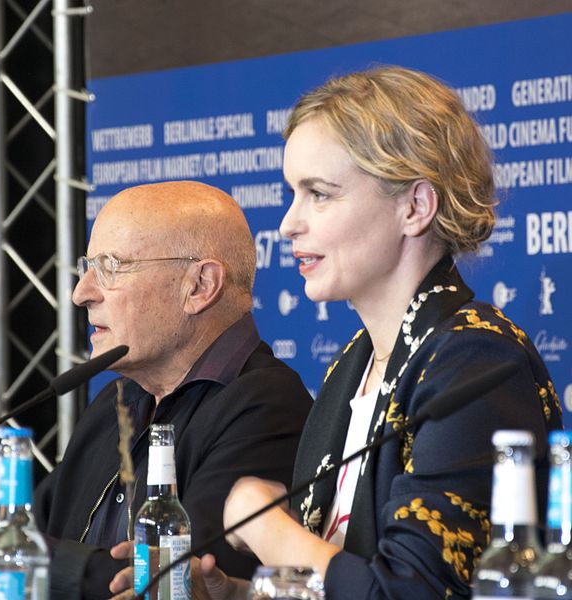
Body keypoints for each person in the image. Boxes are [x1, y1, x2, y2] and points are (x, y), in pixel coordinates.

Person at [195, 66, 563, 599]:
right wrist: (235, 592)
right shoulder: (355, 360)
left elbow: (406, 593)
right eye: (293, 193)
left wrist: (264, 525)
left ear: (414, 207)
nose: (288, 224)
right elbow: (340, 566)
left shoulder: (477, 361)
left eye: (319, 194)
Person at [33, 181, 312, 600]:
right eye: (87, 267)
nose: (82, 293)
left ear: (200, 286)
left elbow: (176, 580)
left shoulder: (267, 406)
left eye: (110, 266)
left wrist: (5, 547)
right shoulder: (117, 401)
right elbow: (35, 536)